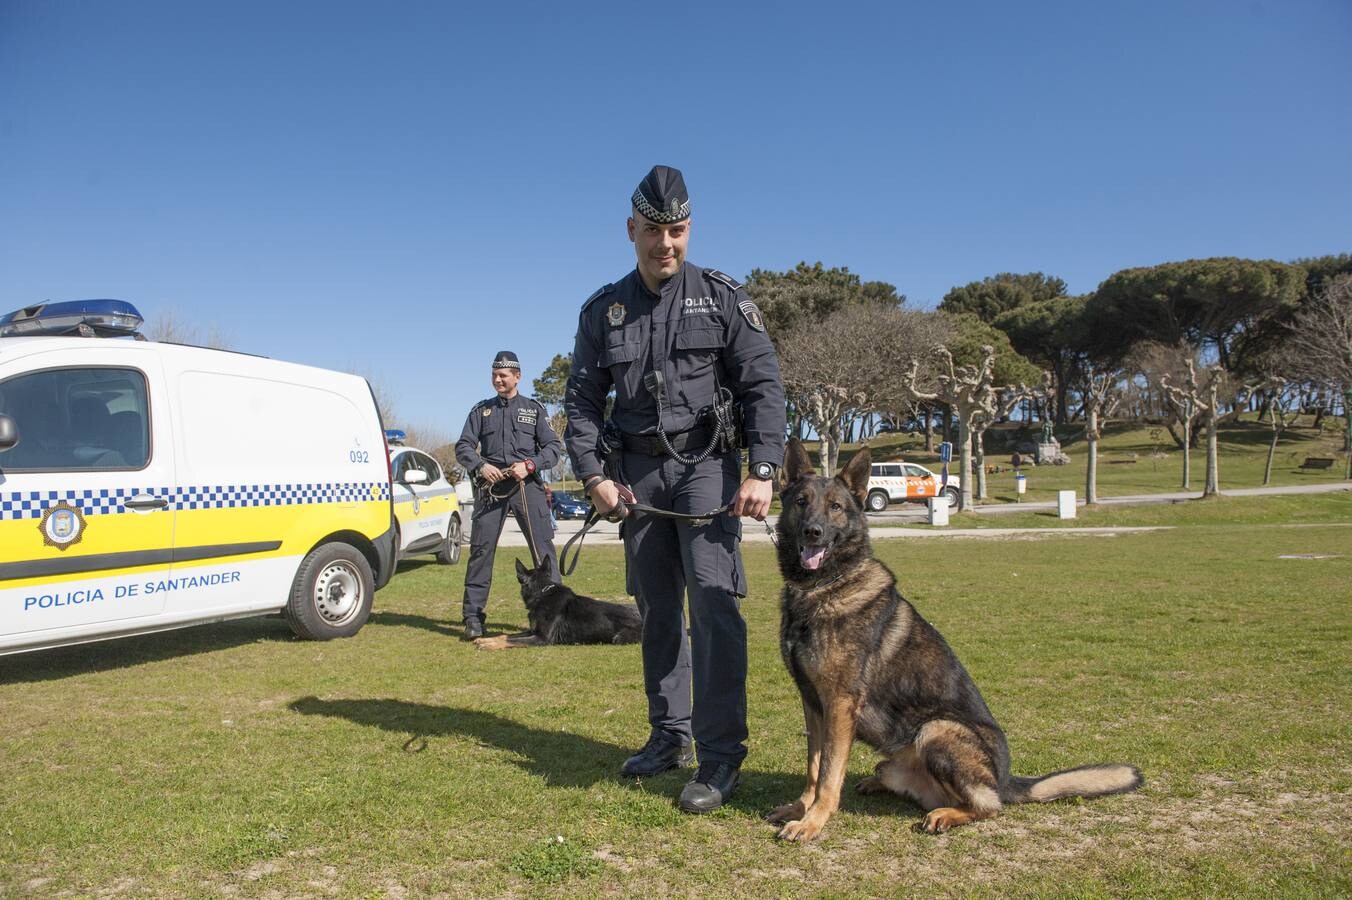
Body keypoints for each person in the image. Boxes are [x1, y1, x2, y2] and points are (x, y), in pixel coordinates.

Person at [564, 165, 786, 814]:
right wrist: (595, 476)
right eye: (656, 232)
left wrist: (762, 469)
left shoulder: (720, 299)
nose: (668, 244)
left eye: (679, 231)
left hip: (707, 472)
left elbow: (762, 387)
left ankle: (720, 760)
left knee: (715, 610)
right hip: (637, 480)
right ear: (632, 230)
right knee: (657, 610)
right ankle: (670, 737)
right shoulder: (604, 311)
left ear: (691, 230)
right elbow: (580, 402)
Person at [455, 350, 561, 641]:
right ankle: (473, 619)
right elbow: (463, 446)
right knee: (480, 553)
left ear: (517, 376)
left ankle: (554, 618)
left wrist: (530, 465)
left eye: (503, 375)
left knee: (544, 554)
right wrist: (480, 465)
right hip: (492, 489)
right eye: (494, 375)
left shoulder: (534, 409)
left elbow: (553, 448)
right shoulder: (480, 411)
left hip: (528, 488)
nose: (498, 380)